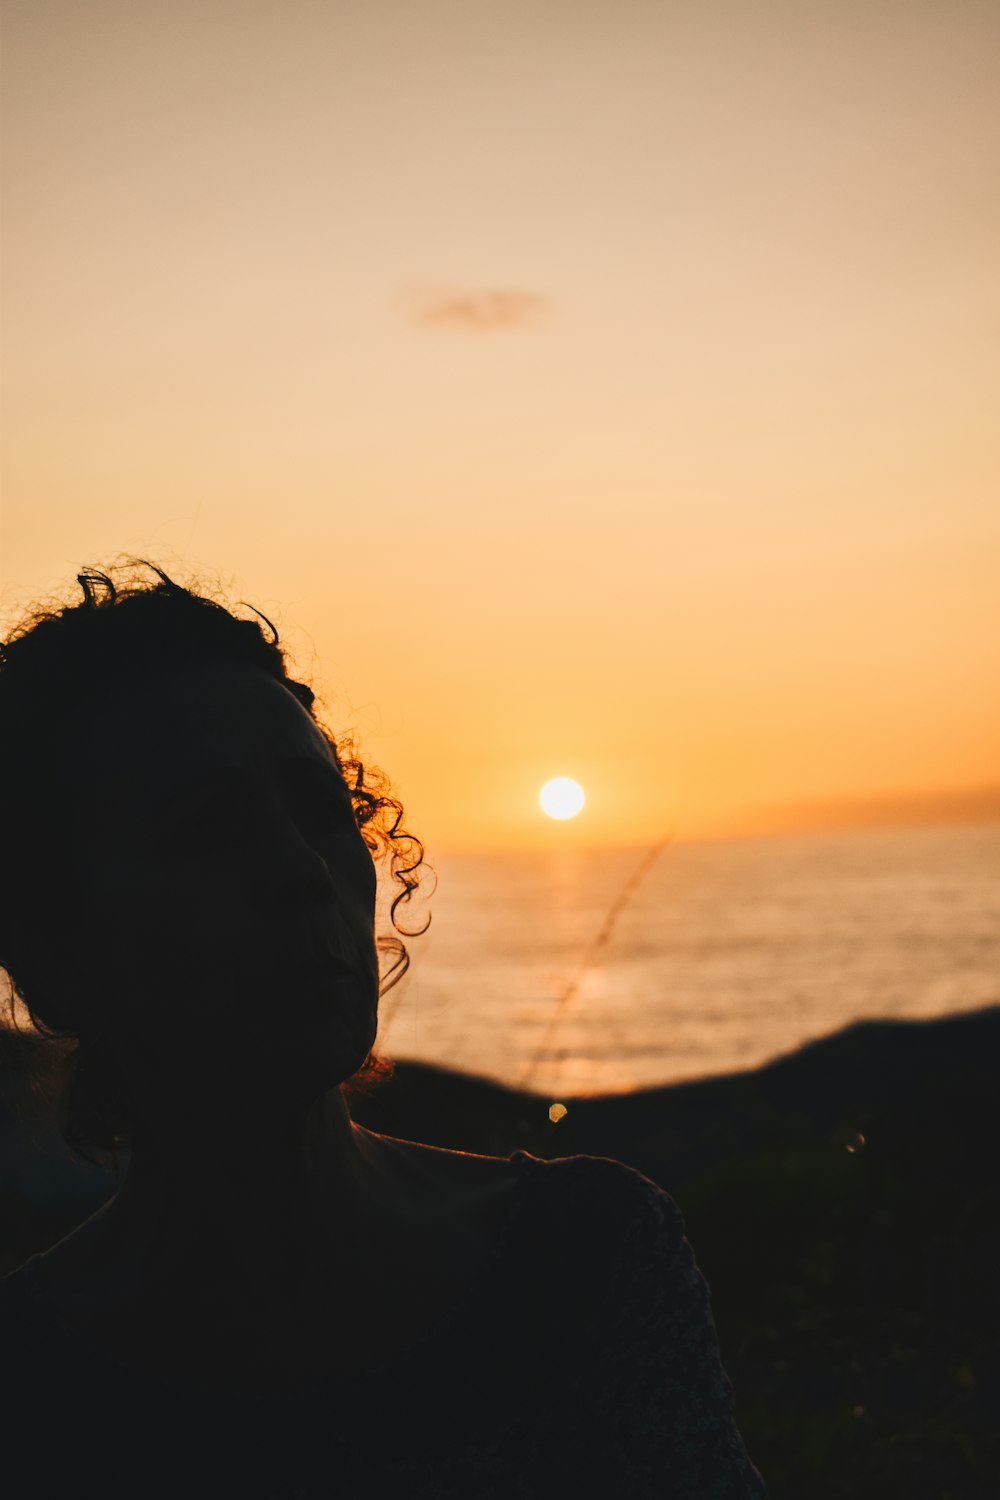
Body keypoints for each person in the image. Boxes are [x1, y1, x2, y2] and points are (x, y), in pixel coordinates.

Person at [0, 561, 767, 1498]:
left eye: (323, 812)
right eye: (204, 831)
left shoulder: (582, 1259)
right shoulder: (28, 1390)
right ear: (53, 956)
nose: (303, 873)